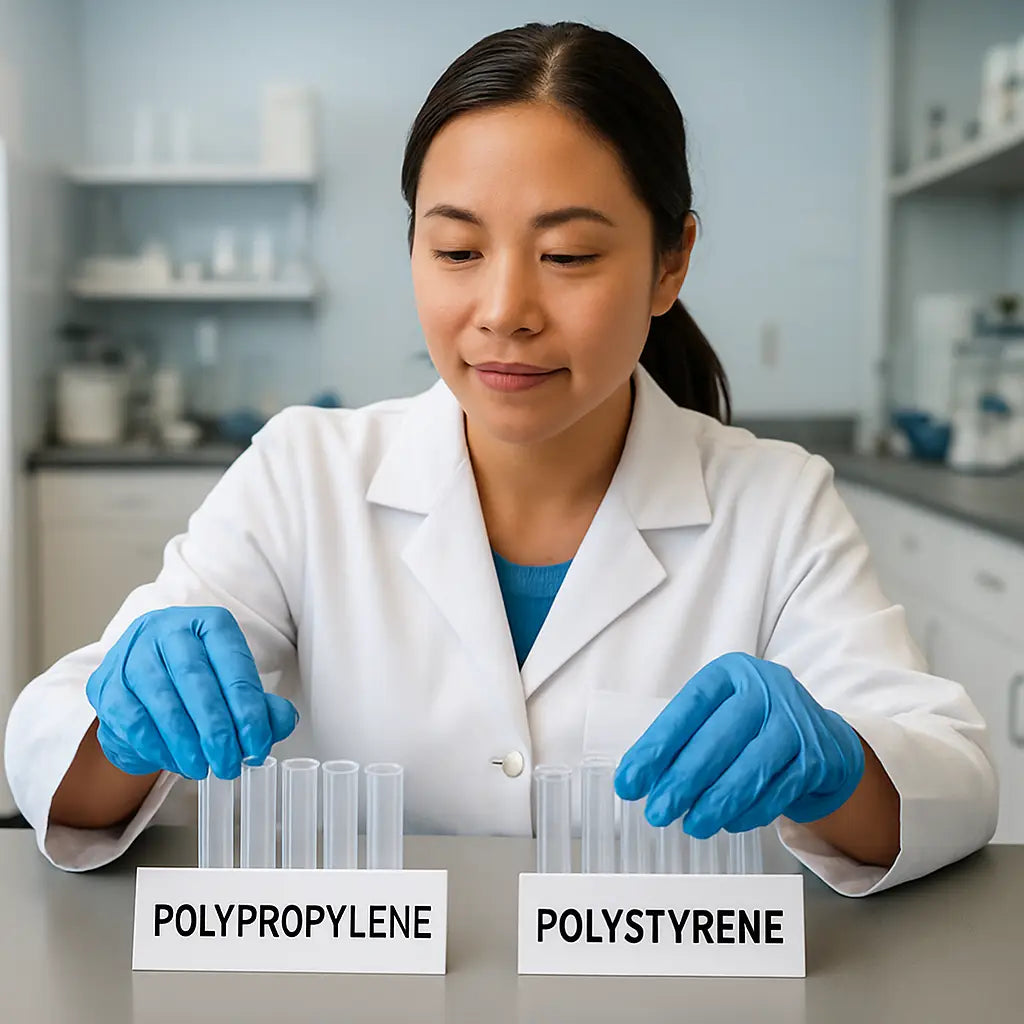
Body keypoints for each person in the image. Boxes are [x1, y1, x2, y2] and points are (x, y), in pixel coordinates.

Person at [5, 21, 995, 894]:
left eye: (566, 256)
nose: (504, 310)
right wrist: (124, 727)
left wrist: (840, 766)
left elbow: (949, 780)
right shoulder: (304, 475)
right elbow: (59, 768)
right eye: (455, 251)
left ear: (670, 261)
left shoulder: (774, 503)